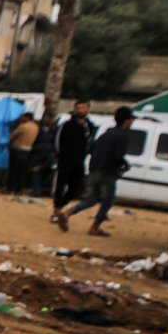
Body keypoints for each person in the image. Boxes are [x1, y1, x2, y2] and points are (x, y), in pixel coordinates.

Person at [60, 106, 134, 236]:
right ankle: (95, 227)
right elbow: (118, 156)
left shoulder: (106, 134)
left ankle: (68, 213)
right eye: (131, 120)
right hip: (108, 173)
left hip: (94, 170)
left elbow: (91, 149)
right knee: (108, 200)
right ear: (127, 121)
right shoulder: (123, 135)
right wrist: (125, 165)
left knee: (92, 199)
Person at [53, 100, 95, 220]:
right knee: (60, 186)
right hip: (65, 160)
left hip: (79, 161)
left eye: (83, 107)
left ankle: (61, 205)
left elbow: (89, 143)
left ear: (88, 109)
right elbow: (57, 142)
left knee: (76, 188)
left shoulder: (90, 126)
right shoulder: (67, 125)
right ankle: (57, 210)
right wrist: (60, 156)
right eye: (79, 108)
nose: (81, 110)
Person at [6, 111, 39, 193]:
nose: (21, 119)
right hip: (27, 151)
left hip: (18, 149)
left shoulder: (23, 126)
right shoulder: (36, 127)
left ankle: (10, 188)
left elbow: (12, 135)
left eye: (23, 117)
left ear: (27, 118)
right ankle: (19, 189)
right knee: (21, 171)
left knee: (13, 170)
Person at [30, 114, 59, 197]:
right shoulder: (38, 128)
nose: (48, 120)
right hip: (37, 153)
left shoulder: (56, 129)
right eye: (46, 118)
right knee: (36, 172)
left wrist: (54, 151)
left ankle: (48, 191)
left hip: (50, 154)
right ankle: (36, 191)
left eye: (50, 118)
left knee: (49, 172)